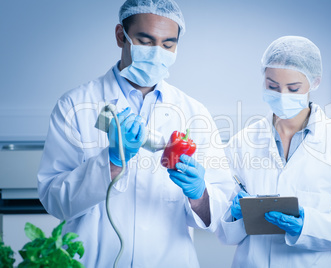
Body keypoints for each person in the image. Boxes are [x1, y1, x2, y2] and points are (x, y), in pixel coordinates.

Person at [37, 0, 234, 267]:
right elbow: (54, 201)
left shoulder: (192, 111)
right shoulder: (75, 105)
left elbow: (221, 213)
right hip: (97, 261)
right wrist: (112, 163)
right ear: (121, 36)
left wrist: (199, 194)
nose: (157, 52)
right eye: (145, 40)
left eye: (168, 45)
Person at [216, 36, 331, 267]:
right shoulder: (242, 142)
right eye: (272, 86)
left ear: (315, 82)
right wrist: (233, 216)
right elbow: (225, 233)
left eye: (293, 88)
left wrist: (307, 225)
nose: (281, 95)